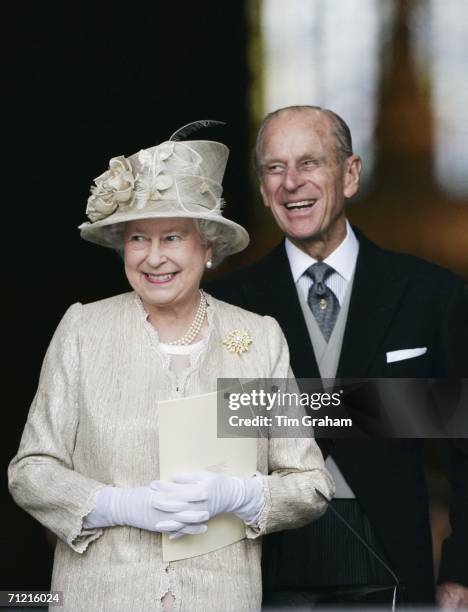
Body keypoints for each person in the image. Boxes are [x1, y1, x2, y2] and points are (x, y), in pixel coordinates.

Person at [8, 126, 334, 612]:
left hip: (219, 598)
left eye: (174, 237)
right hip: (98, 597)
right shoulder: (83, 329)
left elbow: (309, 484)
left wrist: (239, 496)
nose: (153, 257)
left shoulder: (257, 340)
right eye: (139, 238)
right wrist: (117, 505)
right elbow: (30, 471)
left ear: (208, 249)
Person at [207, 105, 468, 607]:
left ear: (349, 175)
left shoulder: (431, 294)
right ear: (262, 189)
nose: (290, 183)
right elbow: (220, 422)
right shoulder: (226, 305)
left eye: (309, 163)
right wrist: (390, 408)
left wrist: (462, 571)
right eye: (275, 168)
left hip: (394, 569)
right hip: (263, 572)